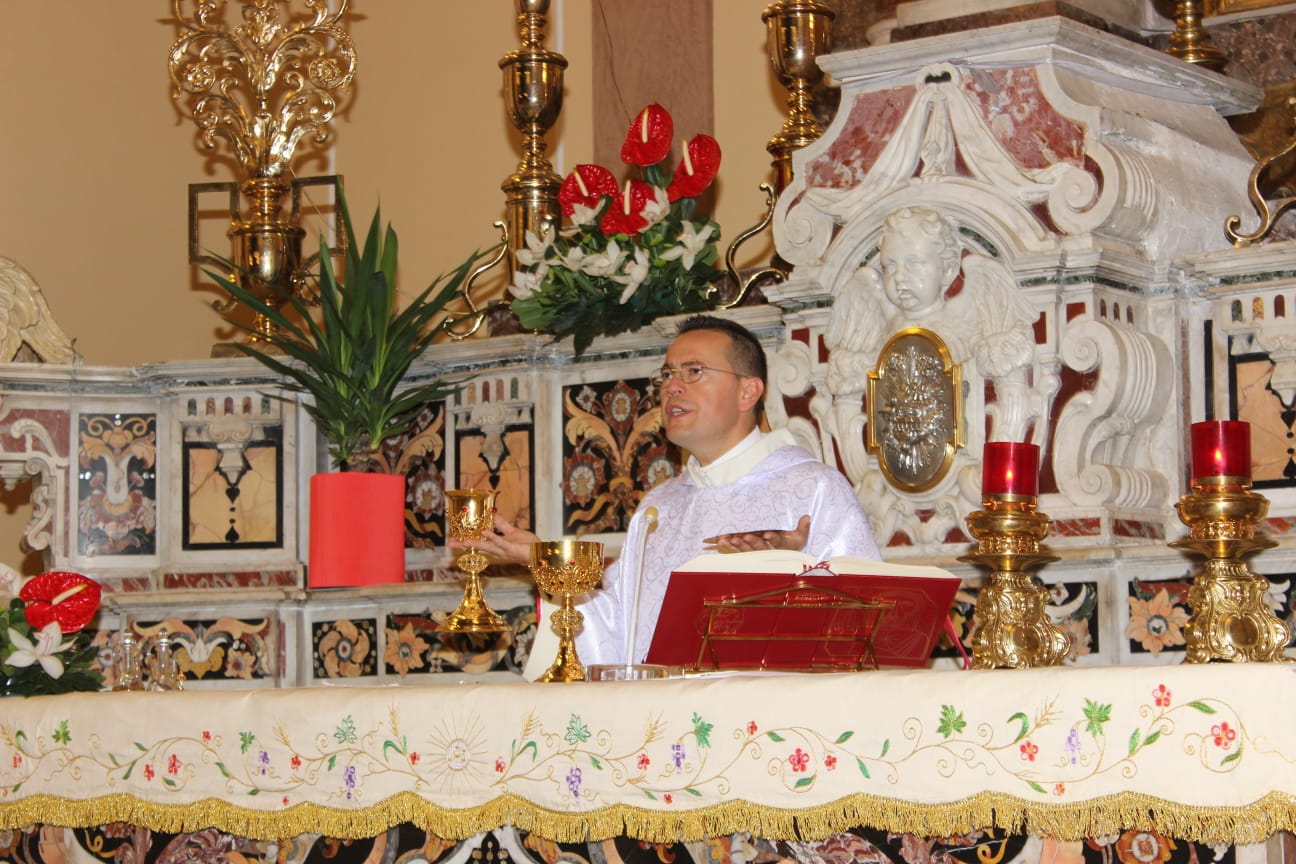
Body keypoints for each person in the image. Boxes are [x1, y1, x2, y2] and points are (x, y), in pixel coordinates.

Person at [464, 314, 881, 666]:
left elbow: (870, 623)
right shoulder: (659, 507)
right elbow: (618, 633)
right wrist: (546, 560)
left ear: (748, 391)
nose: (672, 387)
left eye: (693, 372)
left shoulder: (812, 489)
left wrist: (797, 578)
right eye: (666, 375)